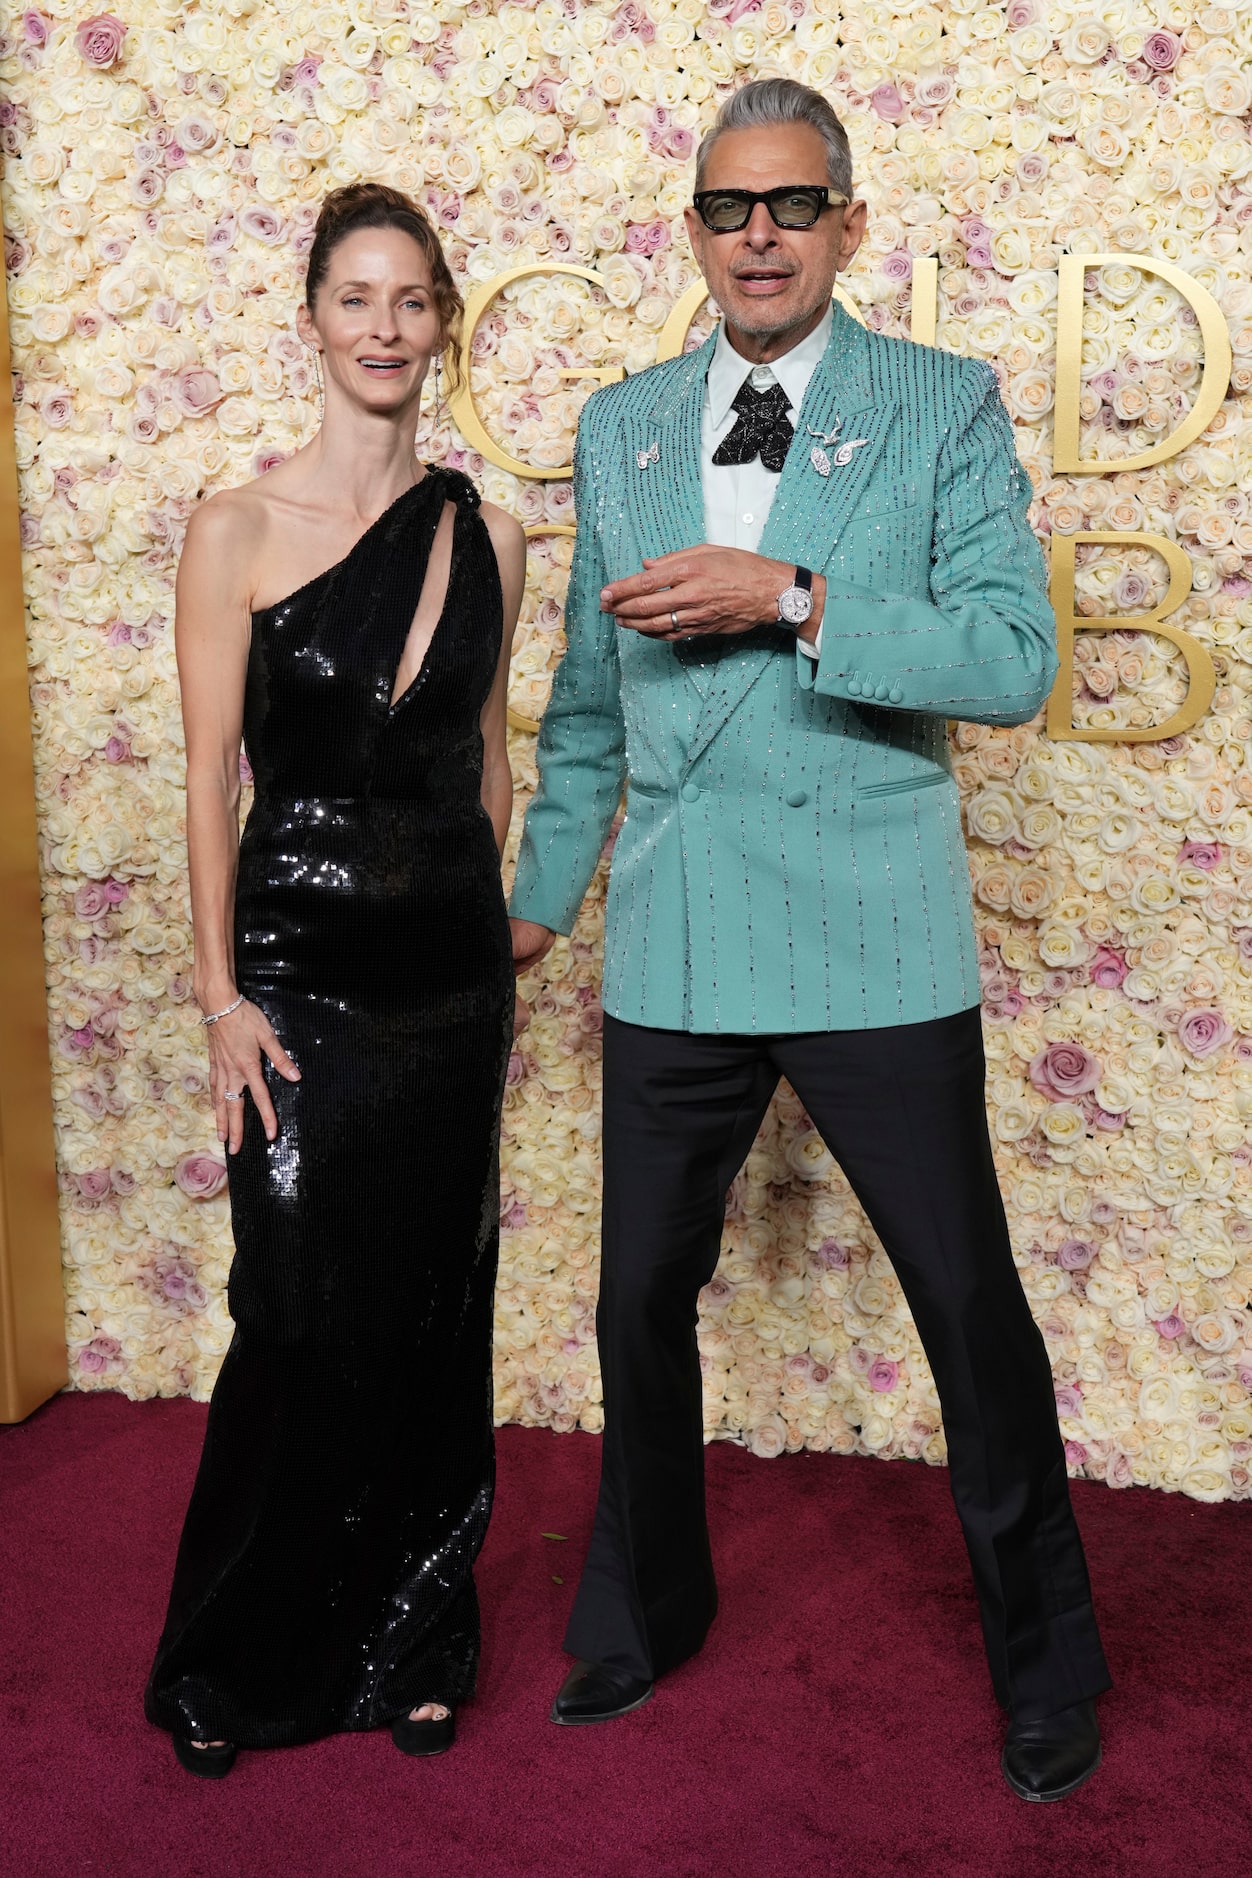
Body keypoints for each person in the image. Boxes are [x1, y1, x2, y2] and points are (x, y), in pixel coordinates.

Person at [510, 79, 1110, 1803]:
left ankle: (1044, 1661)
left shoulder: (942, 406)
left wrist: (795, 598)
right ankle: (641, 1612)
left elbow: (1012, 663)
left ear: (849, 227)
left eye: (792, 204)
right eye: (726, 206)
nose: (757, 233)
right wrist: (539, 903)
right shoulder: (619, 424)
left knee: (969, 1310)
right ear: (691, 233)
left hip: (874, 941)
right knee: (636, 1303)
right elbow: (578, 717)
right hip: (677, 945)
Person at [146, 183, 525, 1776]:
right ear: (310, 320)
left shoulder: (492, 529)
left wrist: (488, 944)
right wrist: (224, 999)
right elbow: (207, 783)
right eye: (355, 298)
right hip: (295, 984)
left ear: (442, 324)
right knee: (294, 1313)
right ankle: (239, 1654)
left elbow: (490, 768)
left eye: (412, 300)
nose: (384, 327)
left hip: (448, 988)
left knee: (433, 1312)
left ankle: (415, 1638)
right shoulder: (234, 526)